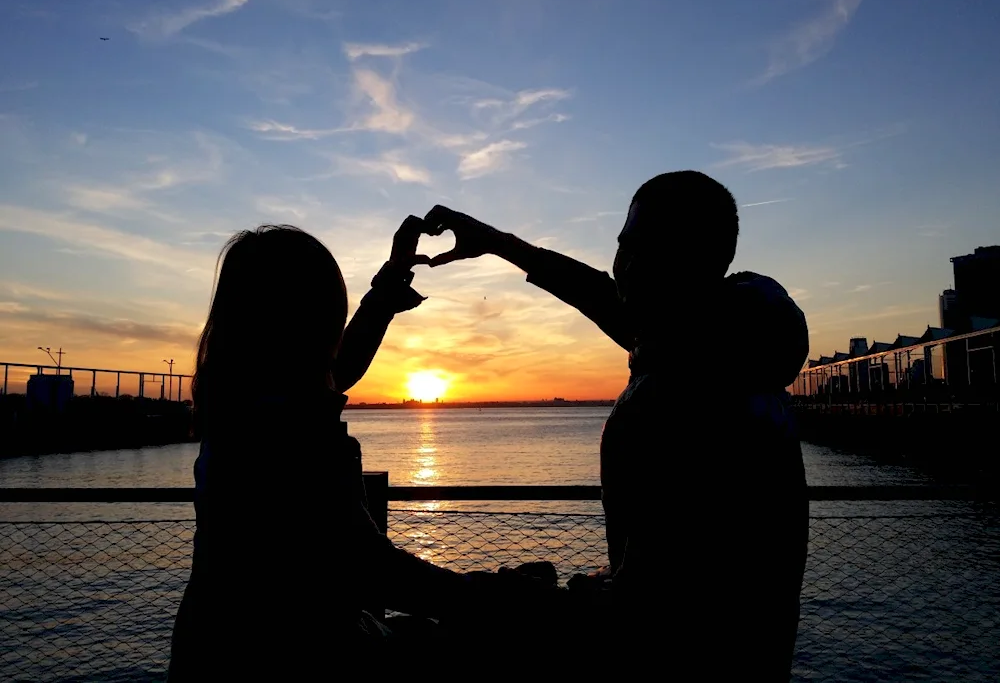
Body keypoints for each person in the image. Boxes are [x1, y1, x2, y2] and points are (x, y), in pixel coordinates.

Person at [424, 171, 809, 677]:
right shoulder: (715, 346)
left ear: (689, 259)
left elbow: (661, 610)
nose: (624, 267)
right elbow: (598, 295)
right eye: (624, 247)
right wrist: (498, 243)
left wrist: (522, 600)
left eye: (644, 249)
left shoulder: (683, 396)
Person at [167, 219, 561, 680]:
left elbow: (343, 364)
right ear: (315, 317)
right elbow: (369, 567)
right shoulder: (287, 427)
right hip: (287, 658)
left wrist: (394, 275)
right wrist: (495, 596)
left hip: (213, 649)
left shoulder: (244, 400)